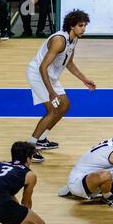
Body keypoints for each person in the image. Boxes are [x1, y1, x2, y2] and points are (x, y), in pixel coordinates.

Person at [26, 9, 96, 162]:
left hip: (49, 76)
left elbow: (69, 63)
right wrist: (51, 92)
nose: (83, 29)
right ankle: (30, 147)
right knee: (53, 109)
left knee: (64, 106)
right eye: (81, 25)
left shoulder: (74, 38)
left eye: (85, 25)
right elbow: (42, 67)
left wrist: (84, 79)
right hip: (38, 75)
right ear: (71, 26)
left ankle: (42, 139)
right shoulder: (59, 40)